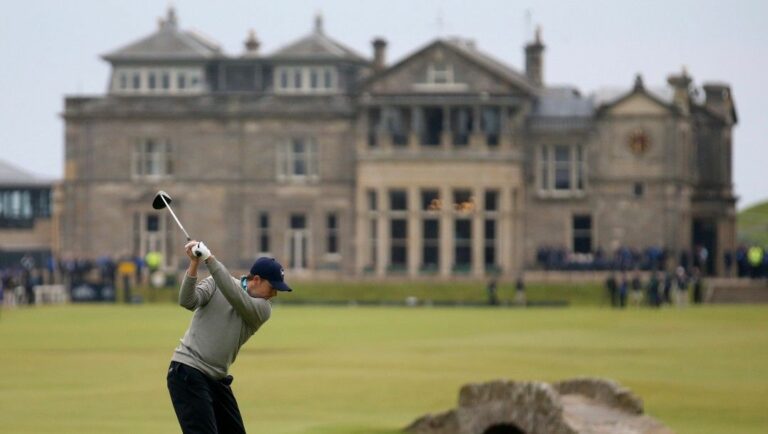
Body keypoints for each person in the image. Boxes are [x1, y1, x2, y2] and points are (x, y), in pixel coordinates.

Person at [167, 240, 292, 434]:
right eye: (273, 287)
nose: (274, 294)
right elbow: (187, 301)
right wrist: (195, 263)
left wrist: (210, 259)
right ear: (256, 280)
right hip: (188, 371)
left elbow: (234, 295)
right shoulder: (215, 283)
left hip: (216, 378)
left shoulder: (263, 309)